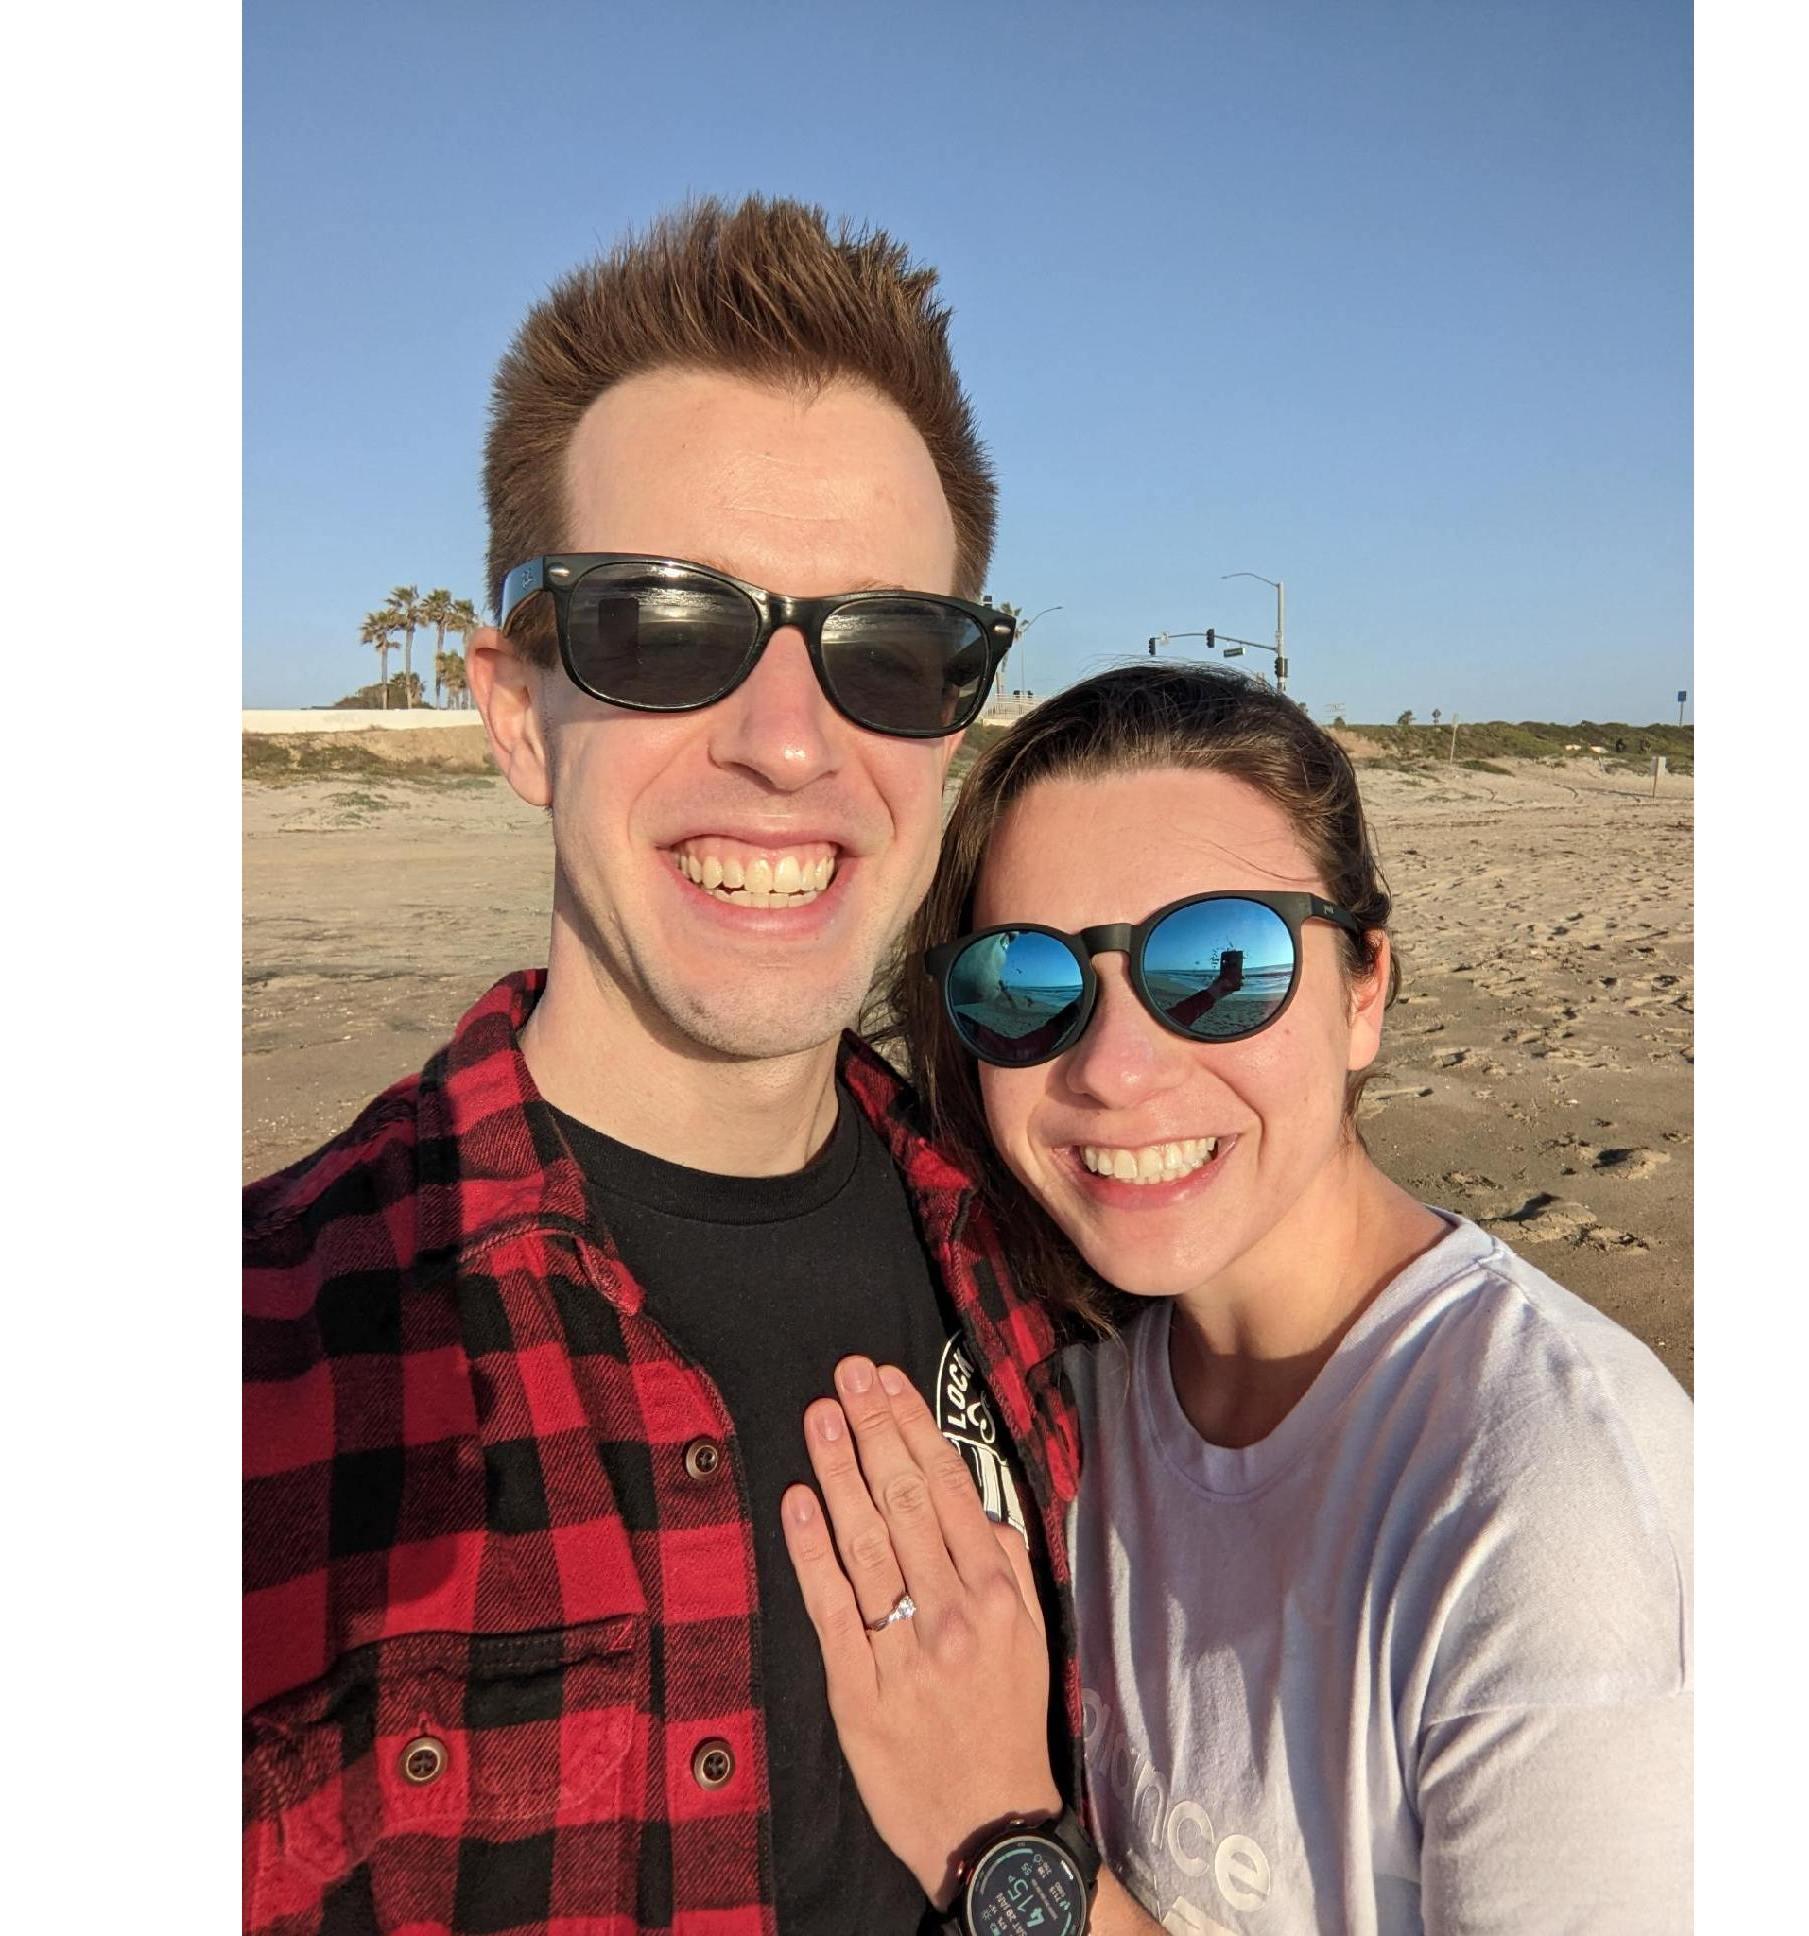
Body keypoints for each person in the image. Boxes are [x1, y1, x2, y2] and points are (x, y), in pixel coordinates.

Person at [242, 196, 1086, 1936]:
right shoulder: (266, 1365)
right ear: (512, 709)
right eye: (660, 630)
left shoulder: (1060, 1262)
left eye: (887, 653)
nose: (788, 743)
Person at [782, 662, 1693, 1933]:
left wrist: (997, 1835)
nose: (1113, 1069)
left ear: (1364, 990)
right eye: (1025, 983)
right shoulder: (1054, 1379)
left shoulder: (1547, 1505)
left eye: (1222, 963)